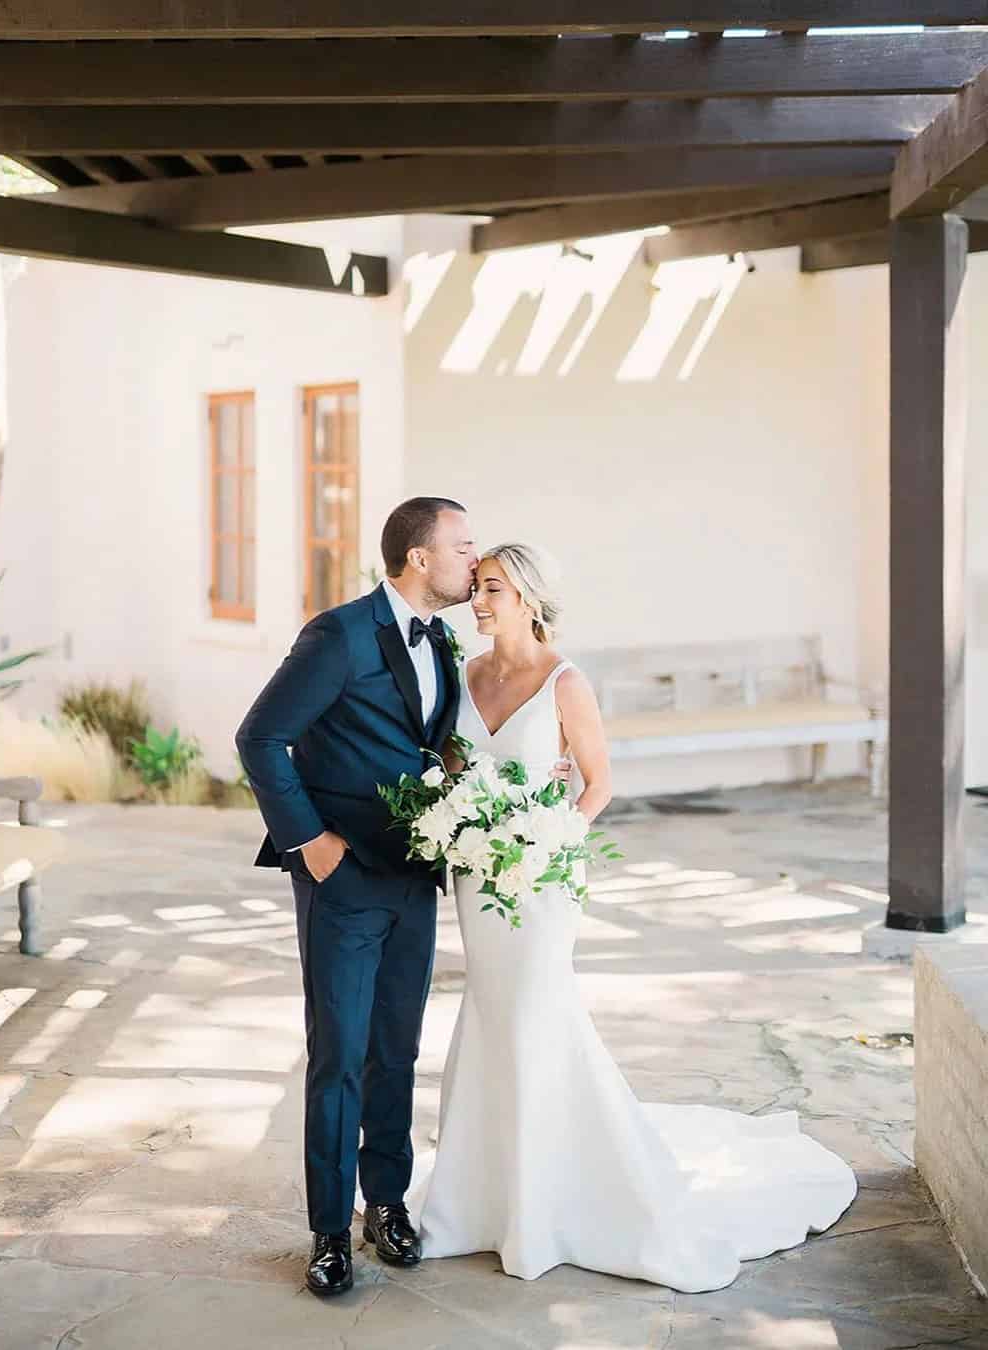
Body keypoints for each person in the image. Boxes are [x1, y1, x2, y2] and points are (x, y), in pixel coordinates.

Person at [411, 543, 858, 1292]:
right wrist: (467, 827)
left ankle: (548, 1198)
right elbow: (458, 769)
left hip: (543, 877)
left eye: (491, 590)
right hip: (479, 878)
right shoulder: (466, 676)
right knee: (490, 1014)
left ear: (526, 596)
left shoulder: (564, 681)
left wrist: (548, 841)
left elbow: (598, 784)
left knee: (535, 1012)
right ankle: (480, 1197)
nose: (478, 603)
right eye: (477, 591)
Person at [235, 496, 477, 1295]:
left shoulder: (443, 637)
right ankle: (330, 1231)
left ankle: (388, 1203)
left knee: (396, 1053)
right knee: (338, 1056)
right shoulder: (338, 634)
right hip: (342, 881)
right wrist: (312, 843)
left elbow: (426, 743)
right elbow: (260, 737)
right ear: (418, 558)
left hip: (415, 876)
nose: (472, 560)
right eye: (462, 546)